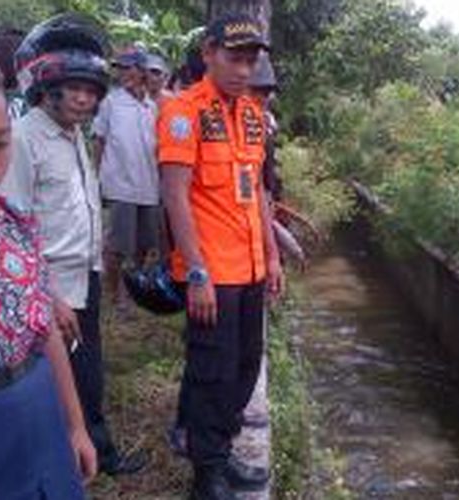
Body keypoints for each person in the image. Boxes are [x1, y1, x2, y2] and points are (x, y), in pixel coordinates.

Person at [0, 14, 147, 476]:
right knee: (64, 376)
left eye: (90, 90)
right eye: (72, 88)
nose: (83, 98)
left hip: (85, 274)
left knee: (88, 369)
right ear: (47, 88)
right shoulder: (26, 140)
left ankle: (90, 448)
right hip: (53, 285)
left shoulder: (74, 135)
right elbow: (11, 225)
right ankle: (84, 453)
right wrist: (46, 292)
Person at [158, 13, 284, 500]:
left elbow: (258, 195)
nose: (244, 69)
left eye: (252, 60)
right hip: (211, 272)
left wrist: (271, 256)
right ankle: (206, 473)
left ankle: (225, 451)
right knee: (213, 370)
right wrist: (195, 273)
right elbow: (175, 196)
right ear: (209, 53)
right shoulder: (183, 112)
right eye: (235, 58)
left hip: (250, 267)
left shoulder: (253, 115)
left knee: (246, 364)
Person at [0, 50, 96, 498]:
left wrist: (74, 426)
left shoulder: (14, 225)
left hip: (40, 410)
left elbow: (46, 334)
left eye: (1, 143)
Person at [93, 47, 162, 316]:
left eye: (128, 68)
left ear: (142, 70)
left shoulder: (152, 107)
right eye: (119, 69)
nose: (123, 74)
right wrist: (96, 178)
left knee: (144, 246)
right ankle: (115, 294)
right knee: (118, 247)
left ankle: (133, 287)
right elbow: (99, 140)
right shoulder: (111, 102)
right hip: (120, 185)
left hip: (149, 186)